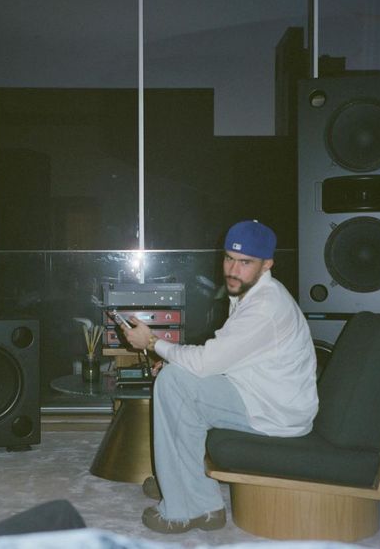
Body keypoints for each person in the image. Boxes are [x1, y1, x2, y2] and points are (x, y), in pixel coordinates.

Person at [123, 219, 319, 534]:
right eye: (229, 258)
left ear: (267, 264)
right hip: (263, 394)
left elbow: (205, 363)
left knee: (175, 383)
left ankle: (189, 508)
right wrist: (175, 361)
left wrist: (152, 343)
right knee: (177, 377)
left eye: (245, 263)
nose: (233, 269)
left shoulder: (265, 306)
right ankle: (184, 487)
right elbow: (227, 355)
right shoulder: (253, 292)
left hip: (276, 412)